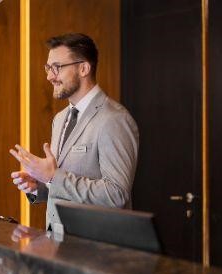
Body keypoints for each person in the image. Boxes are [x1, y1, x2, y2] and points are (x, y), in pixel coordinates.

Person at [9, 33, 139, 231]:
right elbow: (62, 183)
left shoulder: (114, 119)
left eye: (57, 67)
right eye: (48, 68)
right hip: (59, 242)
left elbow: (116, 194)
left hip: (95, 249)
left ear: (84, 68)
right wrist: (41, 185)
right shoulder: (60, 119)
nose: (50, 76)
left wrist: (53, 177)